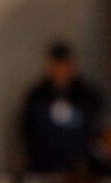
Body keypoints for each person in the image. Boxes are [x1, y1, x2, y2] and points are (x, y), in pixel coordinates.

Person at [22, 42, 103, 172]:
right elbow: (28, 130)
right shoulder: (37, 96)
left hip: (79, 168)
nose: (60, 70)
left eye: (64, 65)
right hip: (43, 165)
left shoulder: (87, 96)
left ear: (73, 66)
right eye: (56, 65)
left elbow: (95, 128)